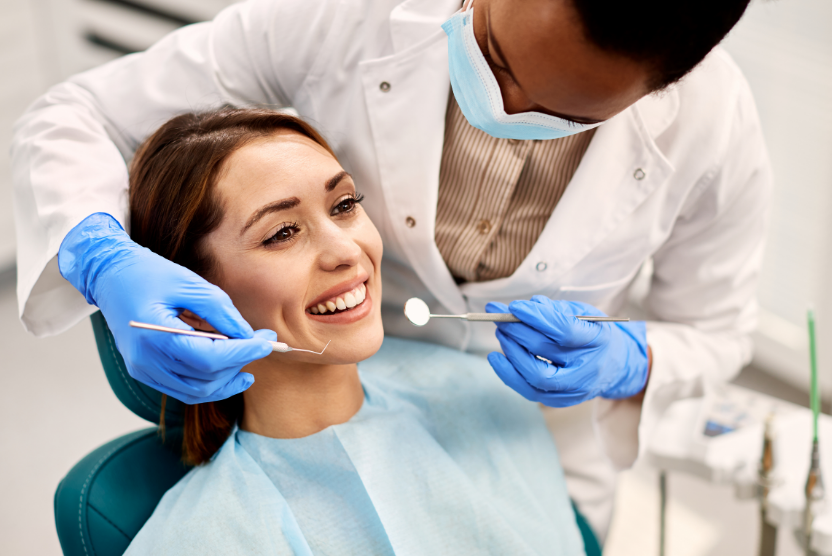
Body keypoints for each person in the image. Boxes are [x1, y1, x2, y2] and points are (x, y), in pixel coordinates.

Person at [11, 0, 770, 538]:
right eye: (496, 59)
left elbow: (717, 329)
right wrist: (101, 258)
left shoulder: (713, 125)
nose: (504, 108)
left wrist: (632, 358)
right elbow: (73, 118)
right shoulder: (345, 17)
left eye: (346, 205)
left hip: (522, 440)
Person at [121, 107, 585, 555]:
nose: (347, 249)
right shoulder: (200, 540)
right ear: (195, 306)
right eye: (282, 232)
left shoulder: (483, 396)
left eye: (344, 205)